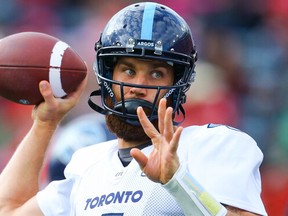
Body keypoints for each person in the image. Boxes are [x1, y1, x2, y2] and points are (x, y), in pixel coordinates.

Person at [0, 2, 267, 215]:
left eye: (156, 74)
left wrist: (179, 183)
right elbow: (8, 210)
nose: (138, 85)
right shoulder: (86, 163)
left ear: (177, 86)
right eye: (129, 70)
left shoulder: (214, 144)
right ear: (107, 76)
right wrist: (45, 123)